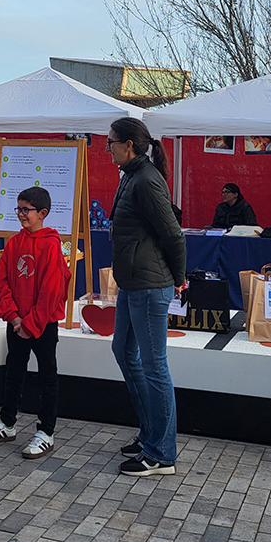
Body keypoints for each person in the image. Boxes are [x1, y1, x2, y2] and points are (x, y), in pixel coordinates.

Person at [107, 117, 187, 477]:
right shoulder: (131, 175)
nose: (107, 148)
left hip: (150, 285)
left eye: (111, 142)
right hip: (132, 282)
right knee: (124, 352)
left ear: (128, 145)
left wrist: (179, 278)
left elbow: (174, 235)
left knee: (154, 366)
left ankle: (161, 454)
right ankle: (150, 434)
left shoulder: (147, 180)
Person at [0, 187, 71, 459]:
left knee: (47, 375)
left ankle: (46, 431)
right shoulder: (14, 243)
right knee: (13, 372)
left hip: (42, 324)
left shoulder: (51, 245)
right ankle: (7, 423)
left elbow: (52, 290)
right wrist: (14, 317)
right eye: (18, 209)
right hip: (17, 322)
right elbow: (1, 282)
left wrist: (31, 323)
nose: (20, 214)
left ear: (42, 213)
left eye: (26, 210)